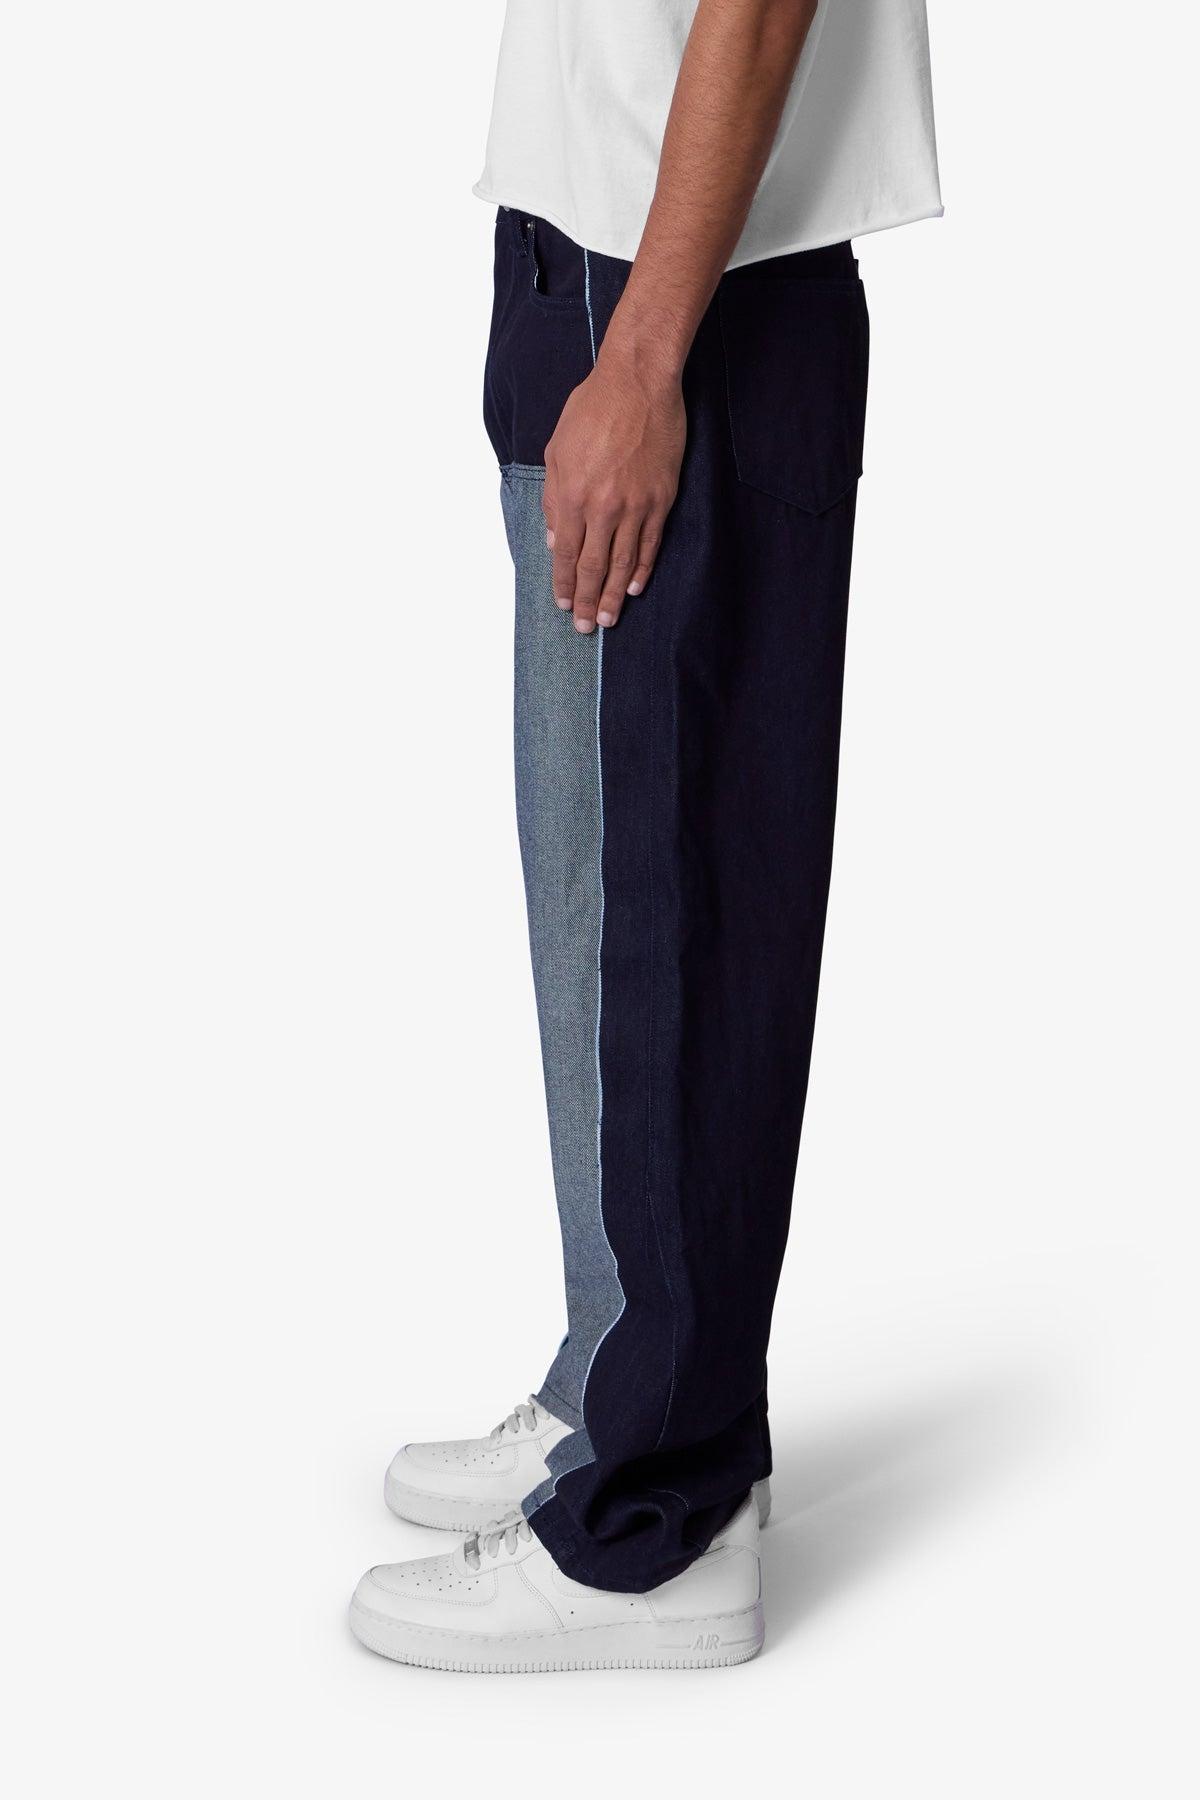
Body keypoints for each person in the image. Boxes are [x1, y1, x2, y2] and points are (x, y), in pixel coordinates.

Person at [349, 0, 941, 1673]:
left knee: (676, 903)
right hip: (591, 236)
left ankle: (657, 1520)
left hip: (691, 288)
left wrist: (646, 357)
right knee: (595, 887)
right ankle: (621, 1378)